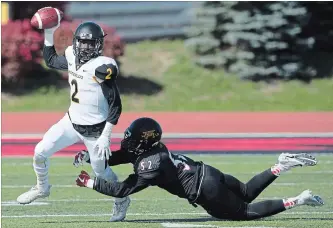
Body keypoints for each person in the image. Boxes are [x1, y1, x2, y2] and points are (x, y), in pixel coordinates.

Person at [74, 117, 324, 221]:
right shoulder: (150, 150)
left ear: (143, 141)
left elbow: (123, 189)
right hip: (208, 172)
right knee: (246, 191)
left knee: (244, 212)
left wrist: (90, 183)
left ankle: (299, 200)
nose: (127, 140)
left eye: (132, 138)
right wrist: (90, 157)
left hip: (204, 189)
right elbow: (121, 155)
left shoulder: (151, 163)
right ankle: (282, 164)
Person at [16, 18, 130, 222]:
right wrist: (50, 31)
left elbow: (116, 105)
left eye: (90, 43)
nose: (85, 46)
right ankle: (42, 188)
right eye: (82, 42)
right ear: (76, 41)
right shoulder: (71, 56)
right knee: (40, 152)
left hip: (96, 130)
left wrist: (106, 135)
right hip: (71, 122)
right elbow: (50, 60)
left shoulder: (101, 67)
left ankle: (122, 198)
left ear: (98, 45)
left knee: (101, 172)